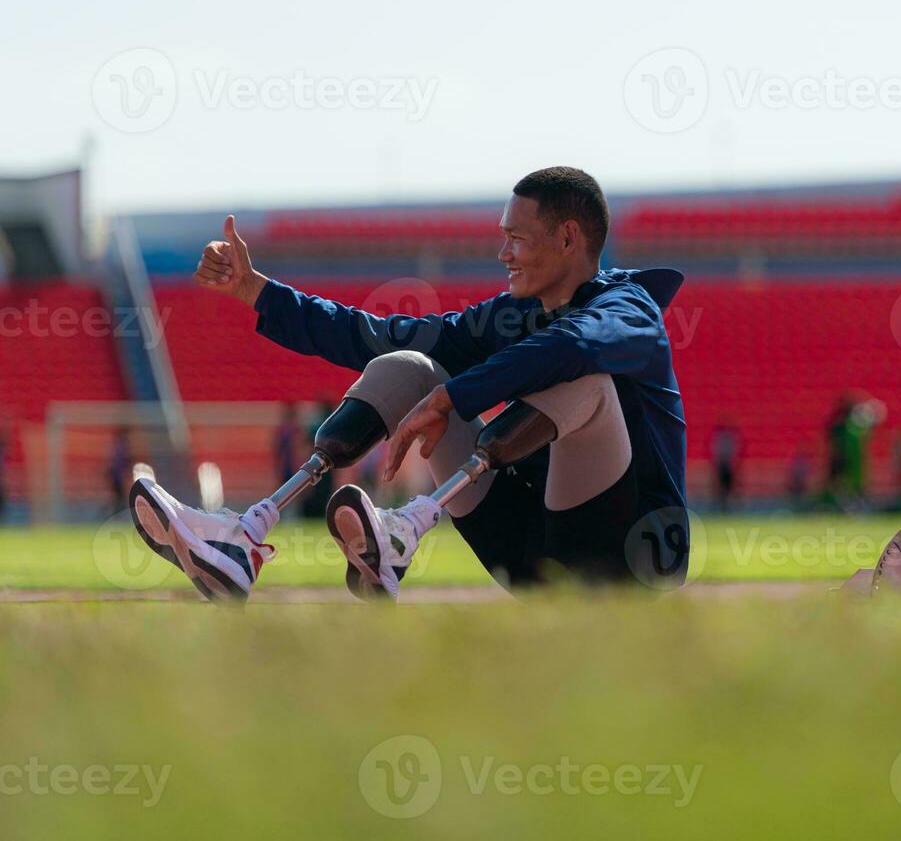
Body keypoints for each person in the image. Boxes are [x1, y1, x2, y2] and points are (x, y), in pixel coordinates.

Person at [128, 167, 689, 602]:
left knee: (584, 377)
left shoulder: (629, 308)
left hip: (627, 561)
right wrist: (257, 291)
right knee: (408, 365)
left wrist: (456, 397)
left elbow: (576, 346)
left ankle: (409, 523)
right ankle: (246, 539)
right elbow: (374, 336)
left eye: (517, 238)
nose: (503, 254)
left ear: (569, 238)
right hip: (528, 553)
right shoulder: (512, 314)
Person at [709, 419, 742, 513]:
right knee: (721, 489)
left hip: (727, 466)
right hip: (722, 466)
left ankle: (727, 507)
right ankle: (721, 507)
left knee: (728, 489)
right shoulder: (723, 438)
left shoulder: (723, 438)